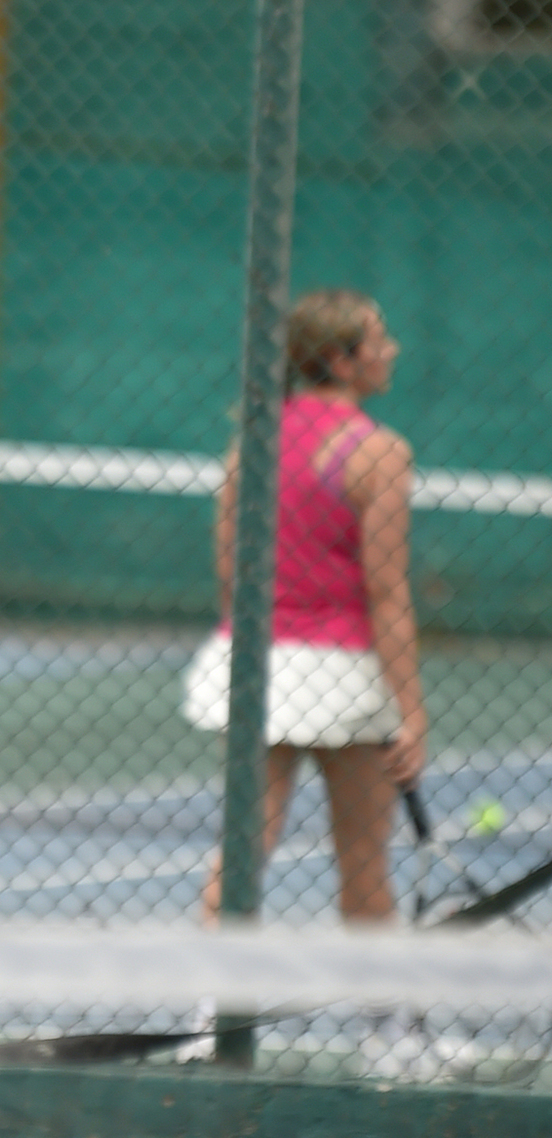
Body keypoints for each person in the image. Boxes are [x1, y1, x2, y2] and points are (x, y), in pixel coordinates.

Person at [184, 289, 426, 923]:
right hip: (341, 673)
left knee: (243, 850)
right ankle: (385, 1024)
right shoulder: (380, 453)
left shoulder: (252, 442)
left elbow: (229, 567)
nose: (390, 350)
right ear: (342, 362)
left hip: (256, 664)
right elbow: (387, 590)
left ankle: (210, 1015)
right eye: (378, 340)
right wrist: (411, 711)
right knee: (365, 856)